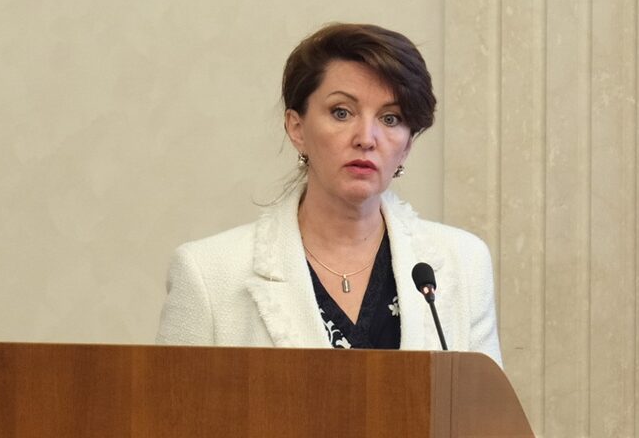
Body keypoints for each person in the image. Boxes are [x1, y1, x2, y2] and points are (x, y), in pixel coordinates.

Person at [156, 23, 501, 365]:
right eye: (341, 112)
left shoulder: (463, 263)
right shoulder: (208, 273)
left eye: (390, 119)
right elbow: (172, 401)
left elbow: (483, 402)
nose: (366, 138)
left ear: (407, 145)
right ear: (296, 128)